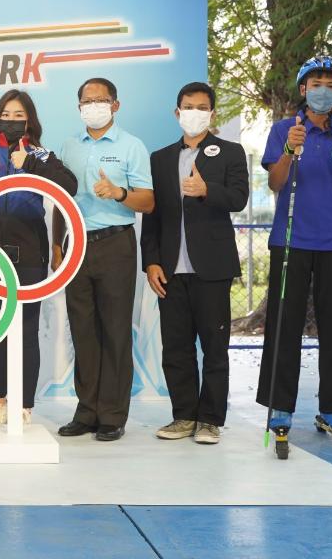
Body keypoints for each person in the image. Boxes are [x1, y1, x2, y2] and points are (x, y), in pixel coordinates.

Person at [256, 56, 332, 440]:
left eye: (331, 85)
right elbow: (276, 183)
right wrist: (289, 150)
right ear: (303, 89)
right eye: (316, 84)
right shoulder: (284, 129)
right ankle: (280, 405)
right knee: (284, 324)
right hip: (290, 240)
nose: (323, 91)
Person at [141, 82, 248, 445]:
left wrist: (207, 191)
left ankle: (210, 420)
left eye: (202, 107)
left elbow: (239, 198)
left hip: (212, 268)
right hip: (170, 270)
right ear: (177, 112)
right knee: (176, 348)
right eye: (188, 107)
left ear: (212, 113)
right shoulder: (159, 158)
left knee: (215, 347)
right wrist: (151, 262)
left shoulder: (230, 153)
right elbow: (152, 216)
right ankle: (184, 416)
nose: (195, 113)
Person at [0, 89, 77, 424]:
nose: (11, 121)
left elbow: (68, 186)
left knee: (27, 330)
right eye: (6, 115)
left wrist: (28, 164)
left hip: (30, 251)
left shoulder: (41, 154)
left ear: (30, 120)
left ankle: (24, 404)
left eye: (19, 115)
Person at [54, 77, 154, 442]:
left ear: (115, 104)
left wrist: (118, 192)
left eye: (101, 100)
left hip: (115, 244)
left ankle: (112, 415)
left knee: (114, 330)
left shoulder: (131, 146)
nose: (93, 106)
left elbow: (148, 201)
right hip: (75, 245)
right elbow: (59, 199)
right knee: (82, 330)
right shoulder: (68, 146)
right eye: (87, 101)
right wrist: (57, 244)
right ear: (79, 106)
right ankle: (86, 411)